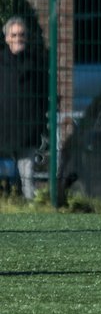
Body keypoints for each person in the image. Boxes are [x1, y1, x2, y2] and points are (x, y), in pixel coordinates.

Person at [0, 17, 47, 200]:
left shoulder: (35, 64)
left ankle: (30, 209)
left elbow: (44, 95)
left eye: (21, 35)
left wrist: (40, 123)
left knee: (28, 178)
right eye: (14, 35)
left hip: (28, 130)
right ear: (6, 38)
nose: (18, 38)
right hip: (2, 129)